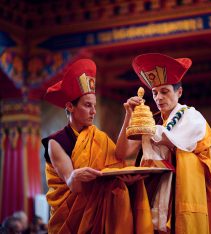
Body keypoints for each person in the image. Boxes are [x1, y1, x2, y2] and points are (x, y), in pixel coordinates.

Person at [116, 53, 211, 233]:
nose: (158, 98)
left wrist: (146, 127)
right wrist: (130, 115)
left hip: (180, 195)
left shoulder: (191, 117)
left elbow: (171, 141)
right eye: (154, 93)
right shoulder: (153, 122)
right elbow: (121, 153)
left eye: (164, 91)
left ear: (179, 92)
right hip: (154, 194)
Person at [41, 59, 152, 233]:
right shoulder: (56, 142)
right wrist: (75, 176)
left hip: (100, 214)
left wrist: (128, 115)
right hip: (71, 221)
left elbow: (120, 155)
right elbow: (74, 186)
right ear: (70, 106)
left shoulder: (96, 135)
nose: (93, 111)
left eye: (94, 106)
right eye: (87, 105)